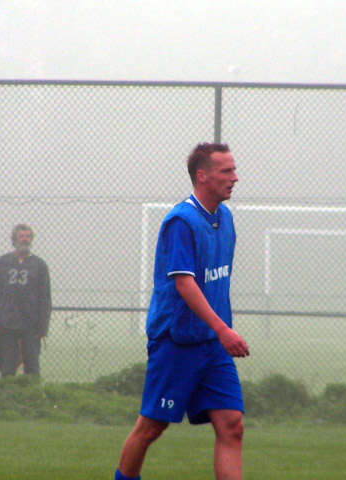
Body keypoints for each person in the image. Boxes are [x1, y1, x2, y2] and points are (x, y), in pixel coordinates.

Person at [115, 143, 249, 480]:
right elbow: (185, 284)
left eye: (234, 170)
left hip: (212, 345)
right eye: (226, 171)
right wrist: (224, 330)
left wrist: (218, 333)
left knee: (232, 426)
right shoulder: (181, 222)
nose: (235, 177)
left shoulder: (226, 219)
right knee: (151, 429)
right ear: (202, 176)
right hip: (177, 342)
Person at [0, 223, 52, 377]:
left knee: (32, 367)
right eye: (21, 236)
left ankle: (32, 398)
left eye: (28, 236)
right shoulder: (2, 263)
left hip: (31, 325)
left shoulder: (39, 265)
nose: (25, 239)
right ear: (14, 239)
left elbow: (45, 299)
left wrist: (43, 327)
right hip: (7, 324)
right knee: (7, 367)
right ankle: (7, 398)